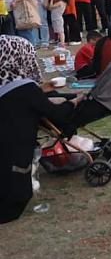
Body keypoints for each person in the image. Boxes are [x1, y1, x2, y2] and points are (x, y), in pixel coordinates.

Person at [0, 36, 76, 223]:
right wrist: (74, 102)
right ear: (20, 57)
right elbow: (56, 114)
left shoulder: (9, 85)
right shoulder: (25, 89)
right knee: (16, 200)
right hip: (13, 158)